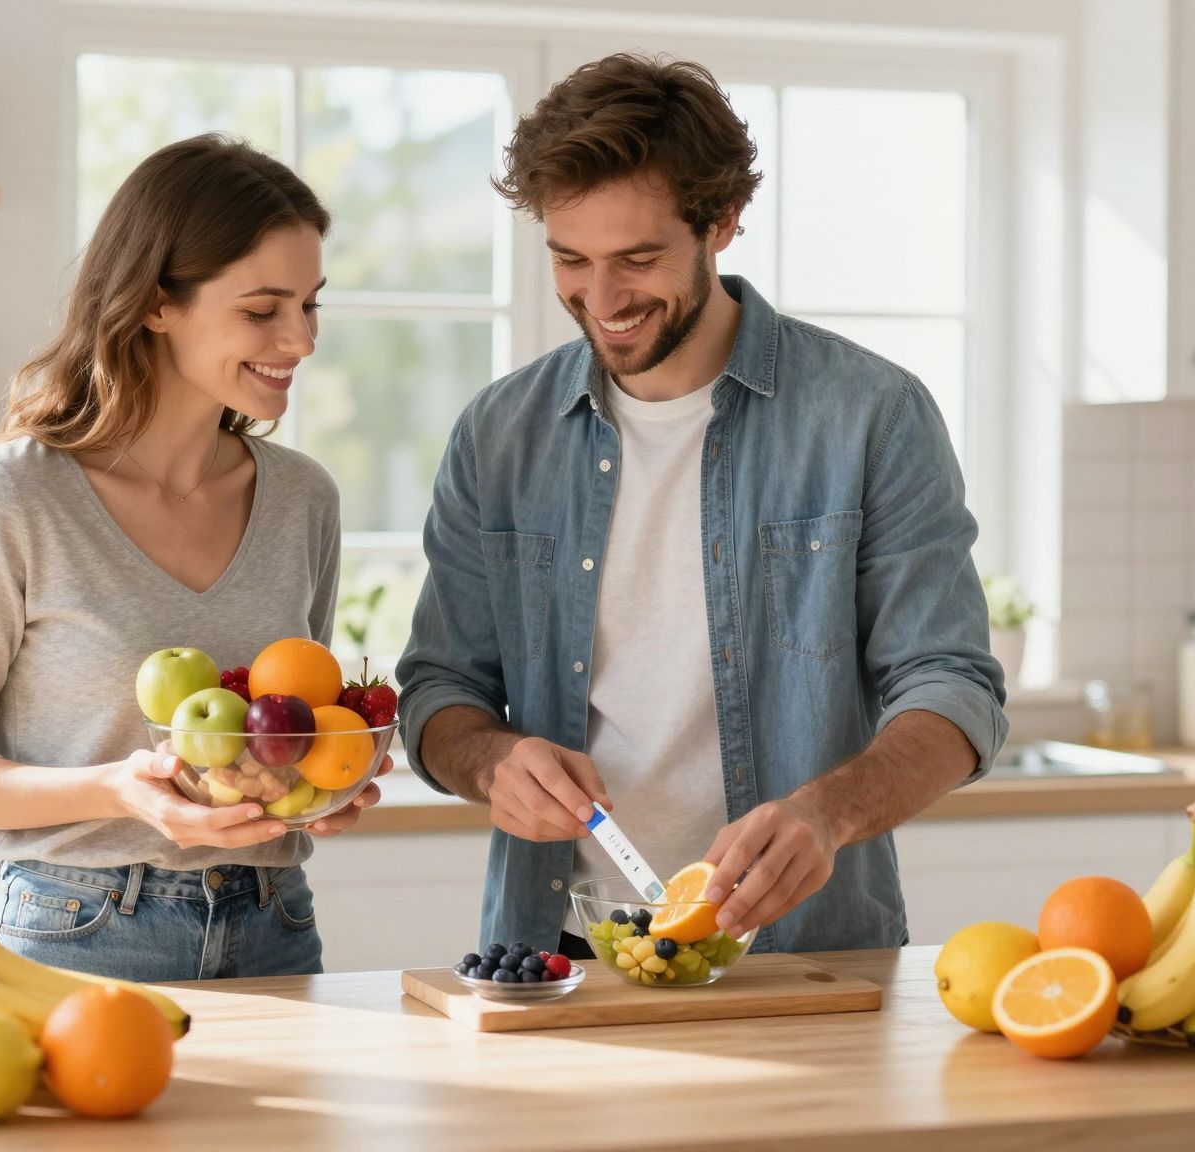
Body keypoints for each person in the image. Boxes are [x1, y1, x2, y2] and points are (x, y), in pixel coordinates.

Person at [396, 55, 1006, 958]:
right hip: (554, 950)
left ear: (721, 221)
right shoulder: (500, 433)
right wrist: (488, 762)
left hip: (806, 955)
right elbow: (440, 692)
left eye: (638, 260)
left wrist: (825, 815)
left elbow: (956, 689)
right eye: (571, 259)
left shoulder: (869, 415)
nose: (601, 301)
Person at [0, 134, 381, 981]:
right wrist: (117, 789)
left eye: (311, 304)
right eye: (263, 310)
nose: (300, 340)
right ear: (157, 304)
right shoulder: (15, 498)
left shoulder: (304, 499)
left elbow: (287, 722)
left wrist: (318, 776)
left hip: (276, 926)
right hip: (75, 930)